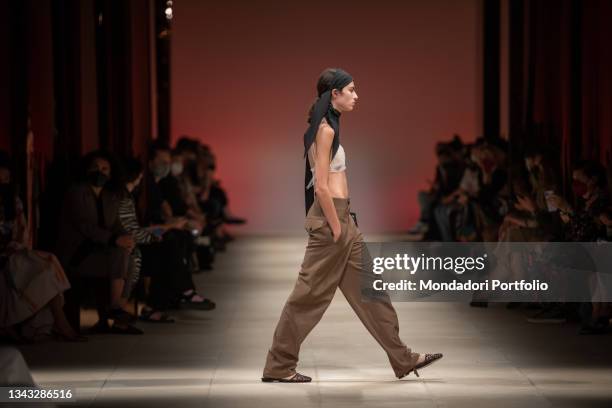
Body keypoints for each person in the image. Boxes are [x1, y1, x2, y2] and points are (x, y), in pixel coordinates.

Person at [261, 68, 443, 383]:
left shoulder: (329, 126)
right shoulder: (325, 130)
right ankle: (279, 365)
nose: (356, 96)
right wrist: (335, 227)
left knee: (373, 293)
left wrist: (344, 223)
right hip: (333, 221)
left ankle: (403, 358)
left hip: (344, 220)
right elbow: (320, 186)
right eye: (352, 90)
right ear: (335, 93)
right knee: (308, 296)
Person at [0, 152, 86, 342]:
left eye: (6, 178)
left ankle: (60, 321)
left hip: (13, 251)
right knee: (34, 267)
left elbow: (21, 231)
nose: (3, 182)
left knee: (48, 263)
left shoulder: (12, 202)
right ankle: (59, 323)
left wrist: (15, 246)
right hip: (4, 255)